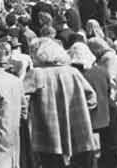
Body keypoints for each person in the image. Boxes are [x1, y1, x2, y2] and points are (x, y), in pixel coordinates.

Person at [25, 38, 98, 168]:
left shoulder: (36, 74)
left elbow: (21, 100)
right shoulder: (73, 72)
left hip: (47, 131)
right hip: (77, 128)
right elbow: (92, 98)